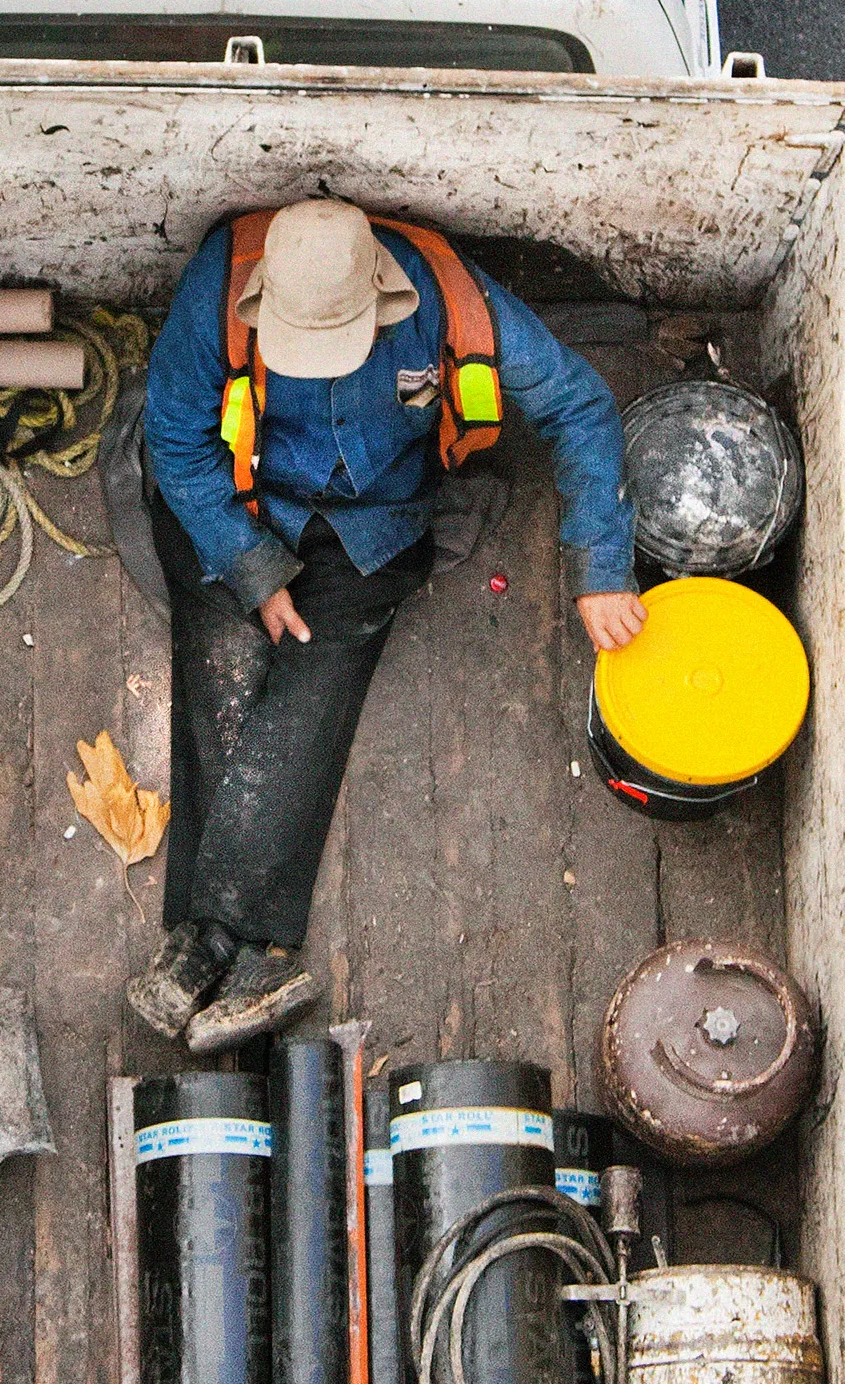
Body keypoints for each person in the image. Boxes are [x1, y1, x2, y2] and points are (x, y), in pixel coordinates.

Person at [131, 199, 646, 1053]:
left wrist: (600, 563)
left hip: (371, 525)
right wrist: (254, 571)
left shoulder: (449, 297)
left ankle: (210, 938)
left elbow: (579, 407)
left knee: (310, 684)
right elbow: (177, 442)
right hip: (242, 505)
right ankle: (248, 947)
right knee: (220, 669)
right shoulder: (219, 289)